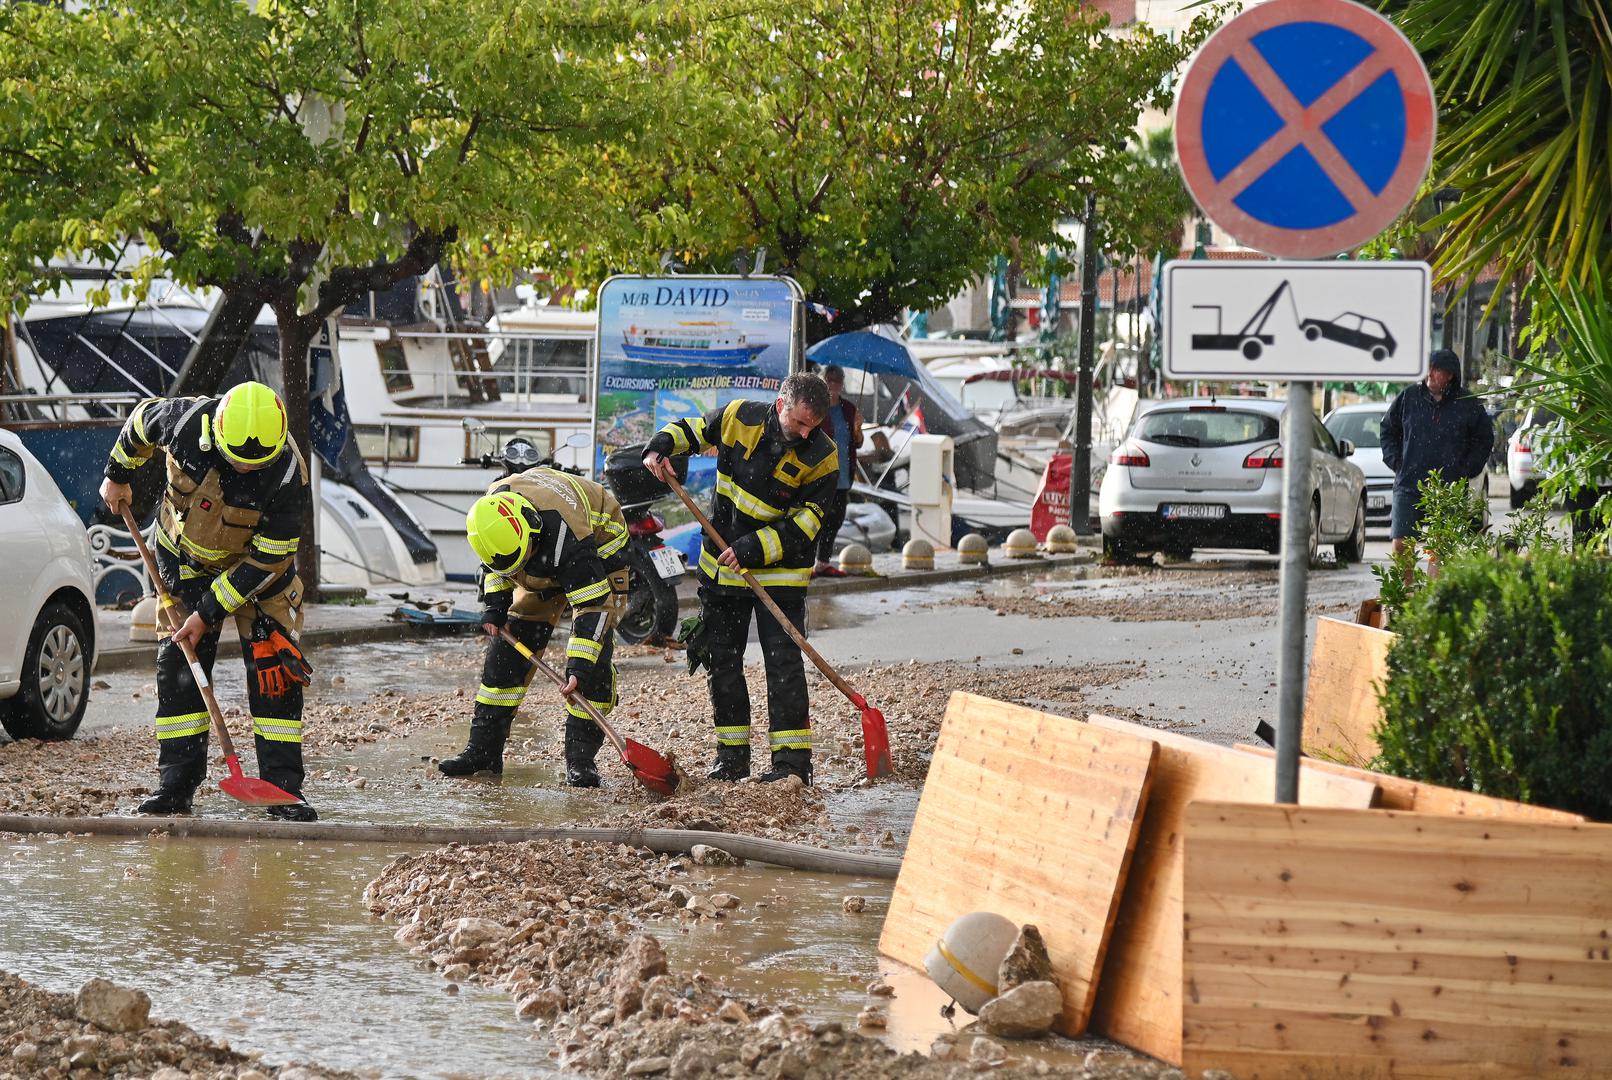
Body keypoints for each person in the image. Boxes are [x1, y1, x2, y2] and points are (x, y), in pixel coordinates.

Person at [98, 382, 317, 820]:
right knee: (179, 675)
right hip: (184, 562)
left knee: (275, 678)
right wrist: (116, 476)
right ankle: (176, 787)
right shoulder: (182, 421)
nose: (244, 472)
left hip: (261, 579)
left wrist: (208, 612)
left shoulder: (288, 475)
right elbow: (140, 423)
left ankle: (281, 790)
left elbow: (266, 561)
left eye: (254, 466)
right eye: (237, 462)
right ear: (216, 434)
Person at [642, 373, 837, 785]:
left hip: (780, 574)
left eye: (812, 427)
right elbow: (692, 430)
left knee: (783, 664)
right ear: (781, 404)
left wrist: (751, 548)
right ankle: (731, 760)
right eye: (799, 423)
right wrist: (660, 446)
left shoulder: (823, 454)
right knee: (723, 661)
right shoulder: (737, 417)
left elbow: (808, 522)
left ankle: (792, 765)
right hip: (721, 569)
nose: (804, 434)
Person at [443, 465, 630, 786]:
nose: (522, 566)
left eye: (525, 558)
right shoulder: (491, 520)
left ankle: (581, 760)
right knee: (507, 655)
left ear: (531, 530)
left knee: (593, 663)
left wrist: (578, 668)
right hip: (547, 559)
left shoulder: (568, 538)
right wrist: (496, 607)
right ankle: (484, 751)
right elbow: (495, 568)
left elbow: (592, 605)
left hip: (600, 547)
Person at [1379, 348, 1494, 574]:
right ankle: (1407, 592)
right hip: (1409, 484)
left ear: (1450, 375)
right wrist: (1396, 461)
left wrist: (1468, 468)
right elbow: (1387, 430)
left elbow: (1484, 438)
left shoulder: (1468, 404)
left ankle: (1432, 596)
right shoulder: (1408, 398)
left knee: (1441, 547)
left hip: (1449, 488)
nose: (1430, 374)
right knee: (1401, 543)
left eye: (1437, 369)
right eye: (1428, 368)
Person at [812, 364, 864, 577]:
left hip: (843, 474)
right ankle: (806, 564)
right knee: (815, 520)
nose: (833, 384)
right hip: (821, 474)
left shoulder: (849, 409)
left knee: (836, 519)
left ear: (842, 384)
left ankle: (823, 562)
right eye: (829, 380)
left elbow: (857, 443)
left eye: (837, 381)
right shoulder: (816, 407)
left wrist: (858, 429)